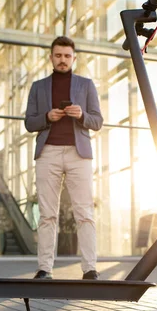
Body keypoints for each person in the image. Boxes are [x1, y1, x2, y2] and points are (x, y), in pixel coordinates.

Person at [24, 36, 103, 280]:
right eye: (58, 55)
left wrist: (81, 116)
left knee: (85, 213)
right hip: (48, 152)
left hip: (79, 155)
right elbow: (29, 122)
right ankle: (44, 268)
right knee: (47, 214)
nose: (62, 60)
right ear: (51, 57)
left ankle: (90, 268)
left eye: (67, 56)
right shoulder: (38, 87)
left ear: (74, 58)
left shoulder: (86, 85)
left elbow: (97, 121)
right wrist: (48, 117)